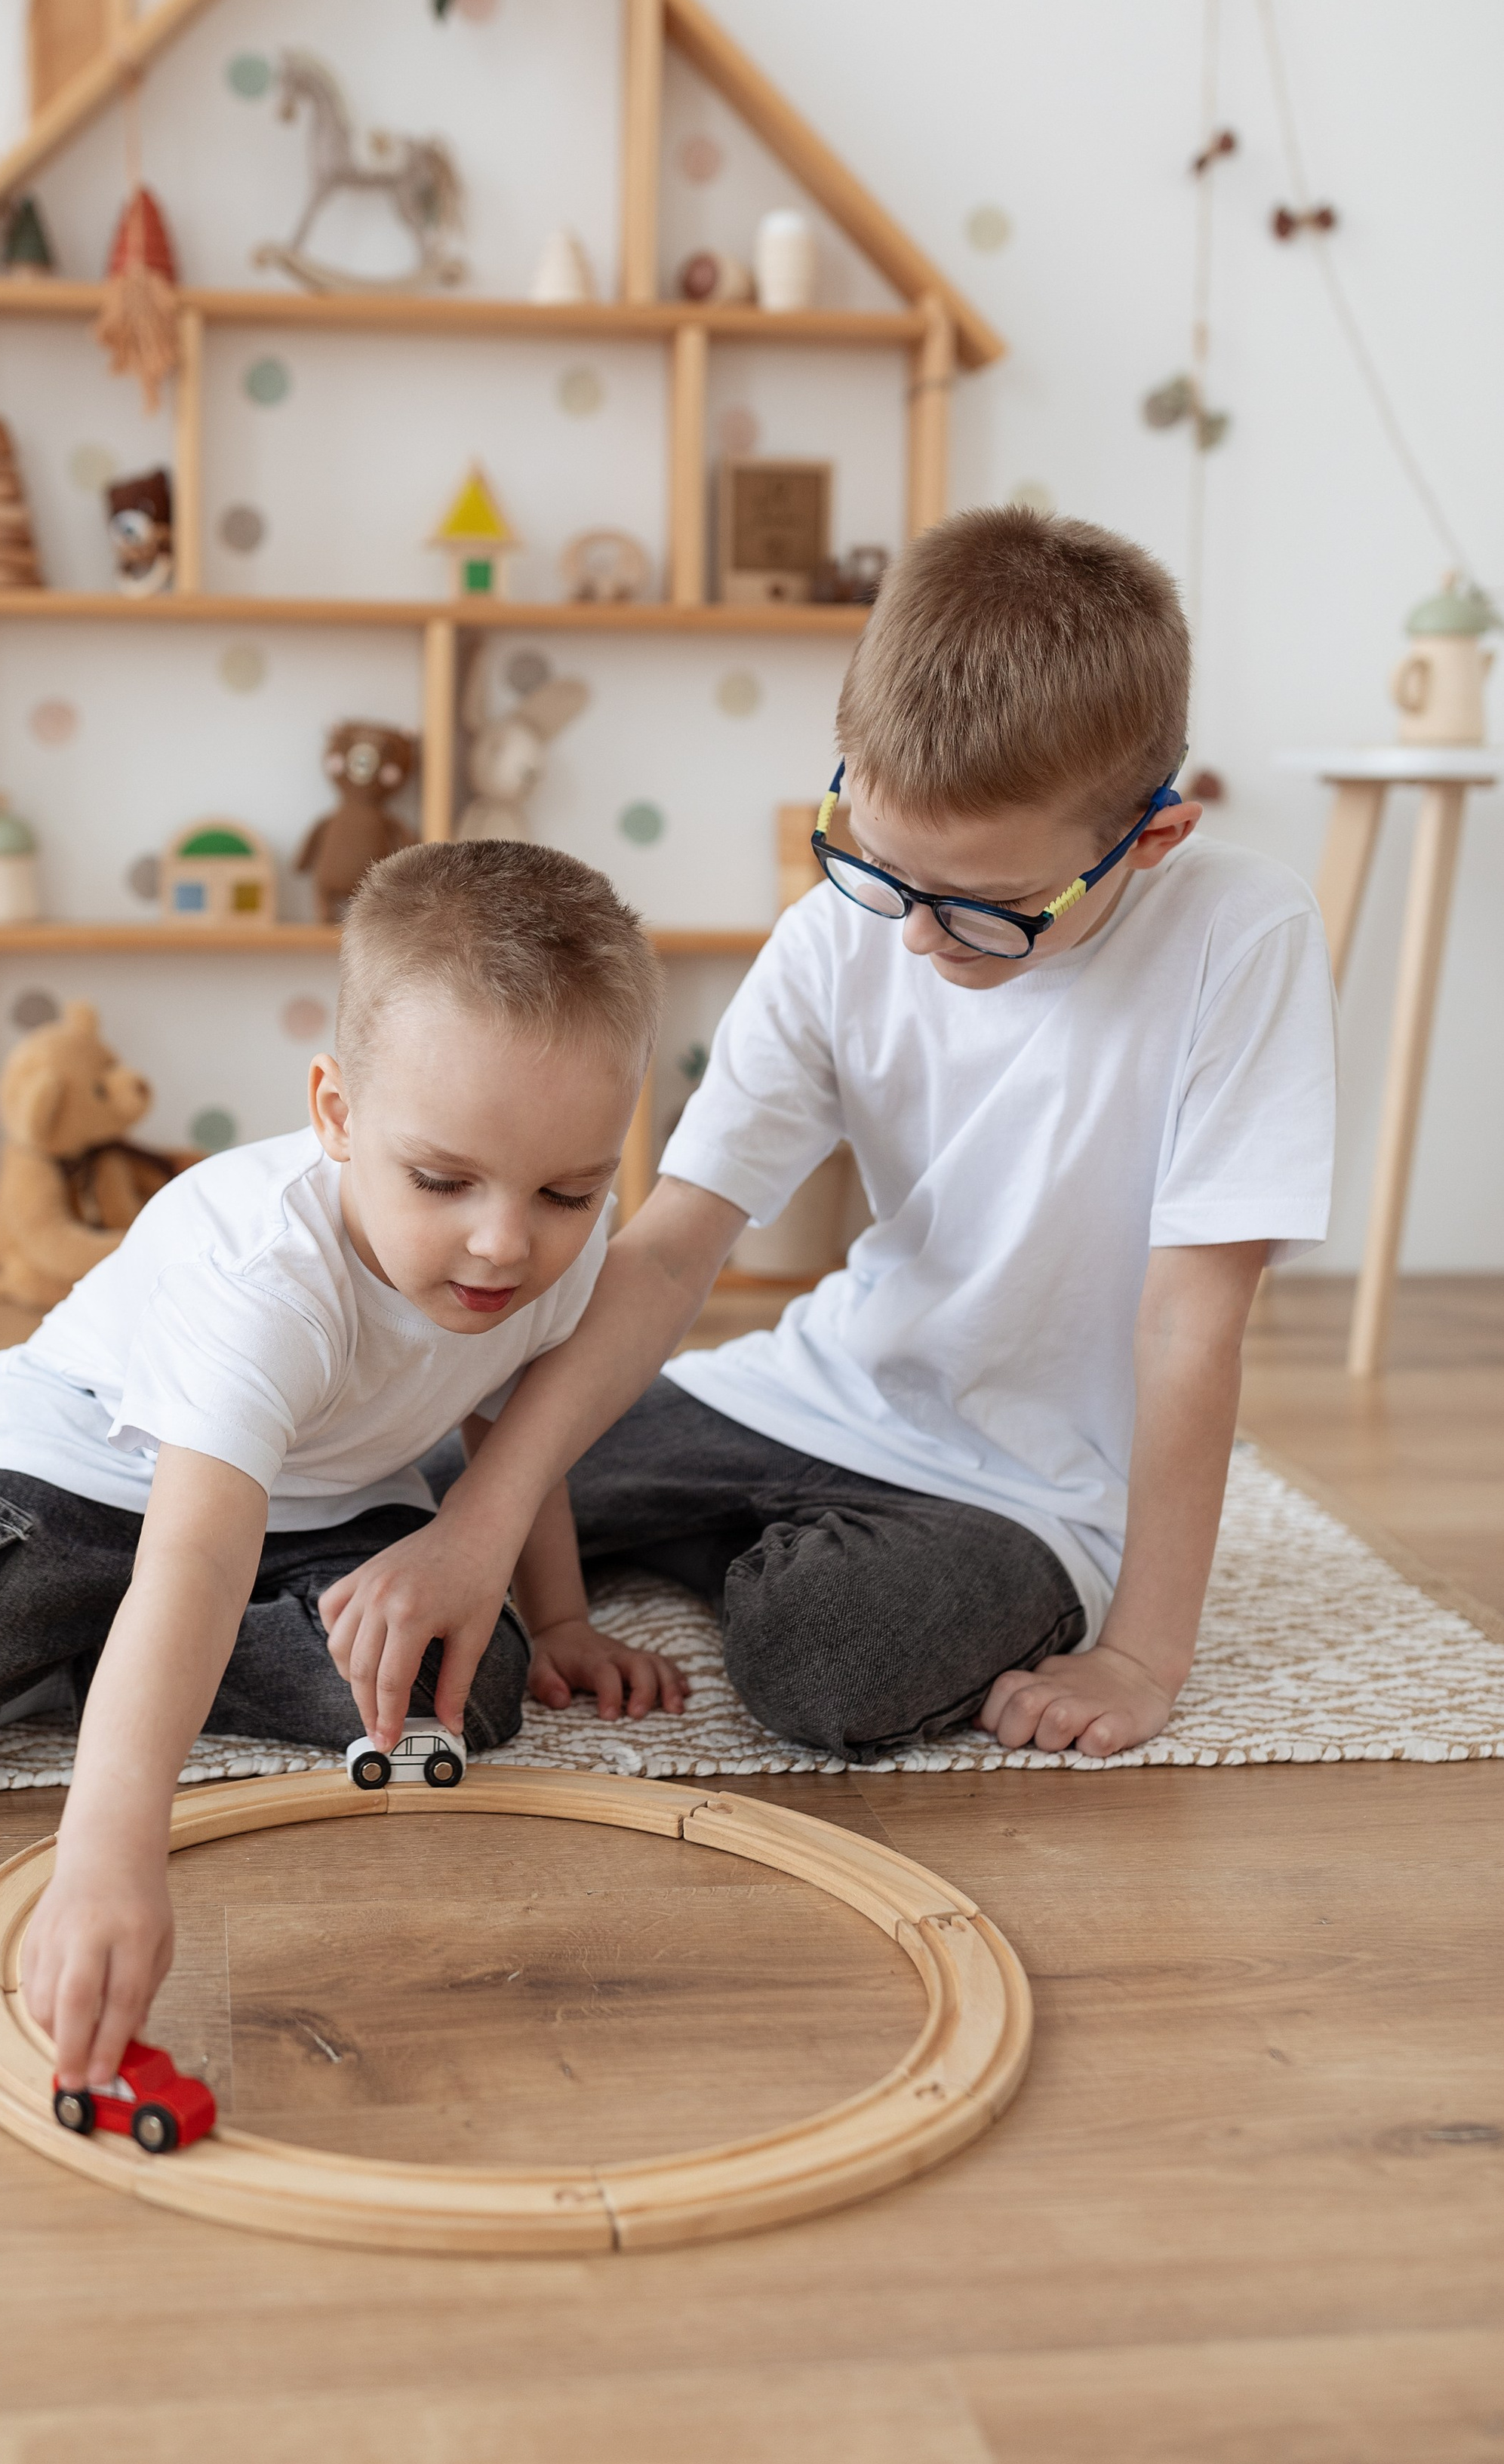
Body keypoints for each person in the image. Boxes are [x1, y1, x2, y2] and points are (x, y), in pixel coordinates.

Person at [0, 840, 684, 2084]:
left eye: (568, 1191)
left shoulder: (563, 1251)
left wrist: (555, 1617)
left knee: (460, 1689)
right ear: (335, 1112)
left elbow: (511, 1436)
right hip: (89, 1481)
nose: (503, 1243)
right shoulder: (260, 1278)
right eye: (442, 1180)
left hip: (319, 1504)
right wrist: (108, 1859)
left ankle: (88, 1666)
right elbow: (193, 1556)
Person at [326, 507, 1336, 1766]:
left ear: (1155, 836)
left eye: (987, 908)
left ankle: (750, 1559)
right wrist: (487, 1519)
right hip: (810, 1394)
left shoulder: (1243, 935)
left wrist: (1142, 1655)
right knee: (418, 1472)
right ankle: (738, 1541)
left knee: (830, 1661)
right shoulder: (839, 932)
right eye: (883, 865)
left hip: (1022, 1487)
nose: (914, 935)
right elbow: (676, 1244)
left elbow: (1193, 1323)